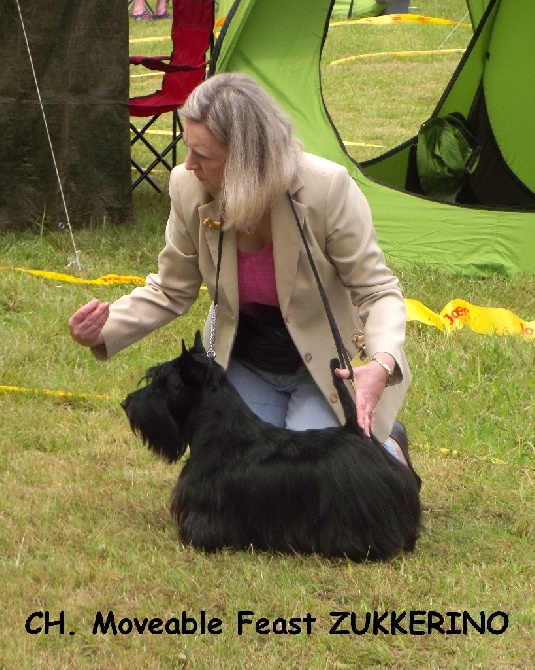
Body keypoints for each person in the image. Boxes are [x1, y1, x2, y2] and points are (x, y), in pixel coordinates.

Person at [68, 73, 418, 479]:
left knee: (307, 481)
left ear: (247, 159)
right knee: (252, 477)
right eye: (188, 147)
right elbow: (170, 289)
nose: (188, 164)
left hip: (325, 367)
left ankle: (389, 444)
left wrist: (382, 361)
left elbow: (379, 292)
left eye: (204, 155)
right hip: (246, 362)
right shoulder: (188, 186)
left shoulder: (326, 189)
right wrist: (102, 329)